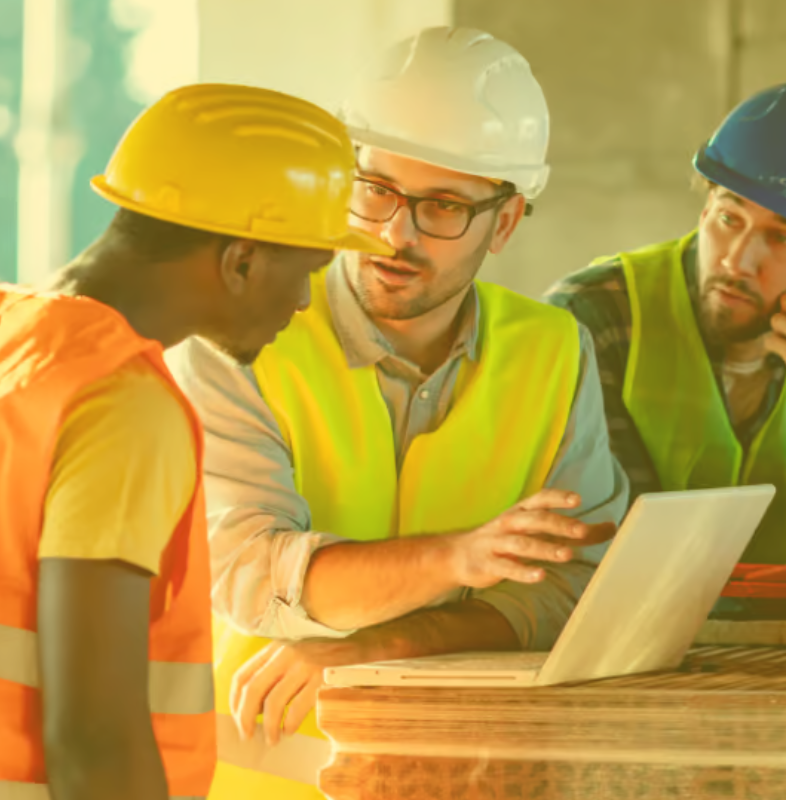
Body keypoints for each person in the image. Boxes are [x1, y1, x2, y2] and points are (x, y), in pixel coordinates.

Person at [0, 83, 389, 799]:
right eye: (306, 271)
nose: (304, 303)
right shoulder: (120, 403)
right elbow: (96, 751)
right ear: (241, 260)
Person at [168, 27, 627, 796]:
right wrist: (457, 561)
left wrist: (376, 647)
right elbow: (249, 574)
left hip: (464, 778)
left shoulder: (553, 350)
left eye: (442, 206)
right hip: (256, 778)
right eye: (375, 188)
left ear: (505, 223)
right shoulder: (239, 332)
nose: (393, 233)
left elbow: (568, 590)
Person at [545, 79, 786, 615]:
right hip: (631, 666)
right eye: (729, 219)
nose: (736, 260)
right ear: (706, 207)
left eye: (782, 237)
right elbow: (598, 558)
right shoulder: (597, 317)